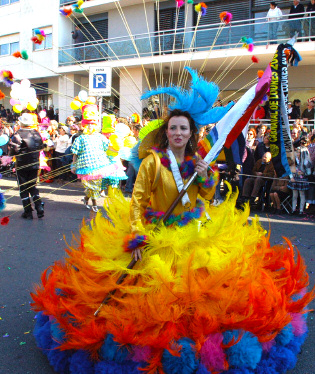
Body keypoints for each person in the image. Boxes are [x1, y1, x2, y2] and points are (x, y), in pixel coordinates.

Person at [31, 70, 314, 374]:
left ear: (191, 133)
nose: (178, 133)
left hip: (193, 233)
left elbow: (205, 197)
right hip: (158, 231)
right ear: (166, 132)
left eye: (183, 129)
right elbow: (137, 203)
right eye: (173, 128)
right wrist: (138, 236)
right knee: (148, 298)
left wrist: (207, 176)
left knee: (205, 296)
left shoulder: (196, 163)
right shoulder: (153, 162)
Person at [71, 103, 111, 212]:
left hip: (99, 165)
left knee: (96, 185)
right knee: (89, 186)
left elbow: (106, 148)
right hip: (85, 166)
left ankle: (89, 200)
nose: (90, 127)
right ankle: (93, 203)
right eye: (88, 125)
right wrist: (73, 165)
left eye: (92, 125)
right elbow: (75, 153)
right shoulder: (80, 138)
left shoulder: (100, 137)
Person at [8, 113, 44, 219]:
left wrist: (12, 155)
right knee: (32, 187)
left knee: (23, 188)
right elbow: (41, 147)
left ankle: (28, 212)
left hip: (22, 164)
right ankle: (39, 207)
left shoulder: (18, 134)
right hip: (34, 163)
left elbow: (14, 149)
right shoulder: (36, 133)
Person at [288, 137, 312, 214]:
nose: (297, 153)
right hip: (294, 178)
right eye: (297, 152)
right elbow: (290, 168)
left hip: (302, 179)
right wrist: (291, 177)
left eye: (299, 152)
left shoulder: (306, 160)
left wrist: (303, 173)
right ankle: (293, 209)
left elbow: (309, 172)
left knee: (302, 194)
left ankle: (301, 210)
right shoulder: (294, 160)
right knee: (294, 195)